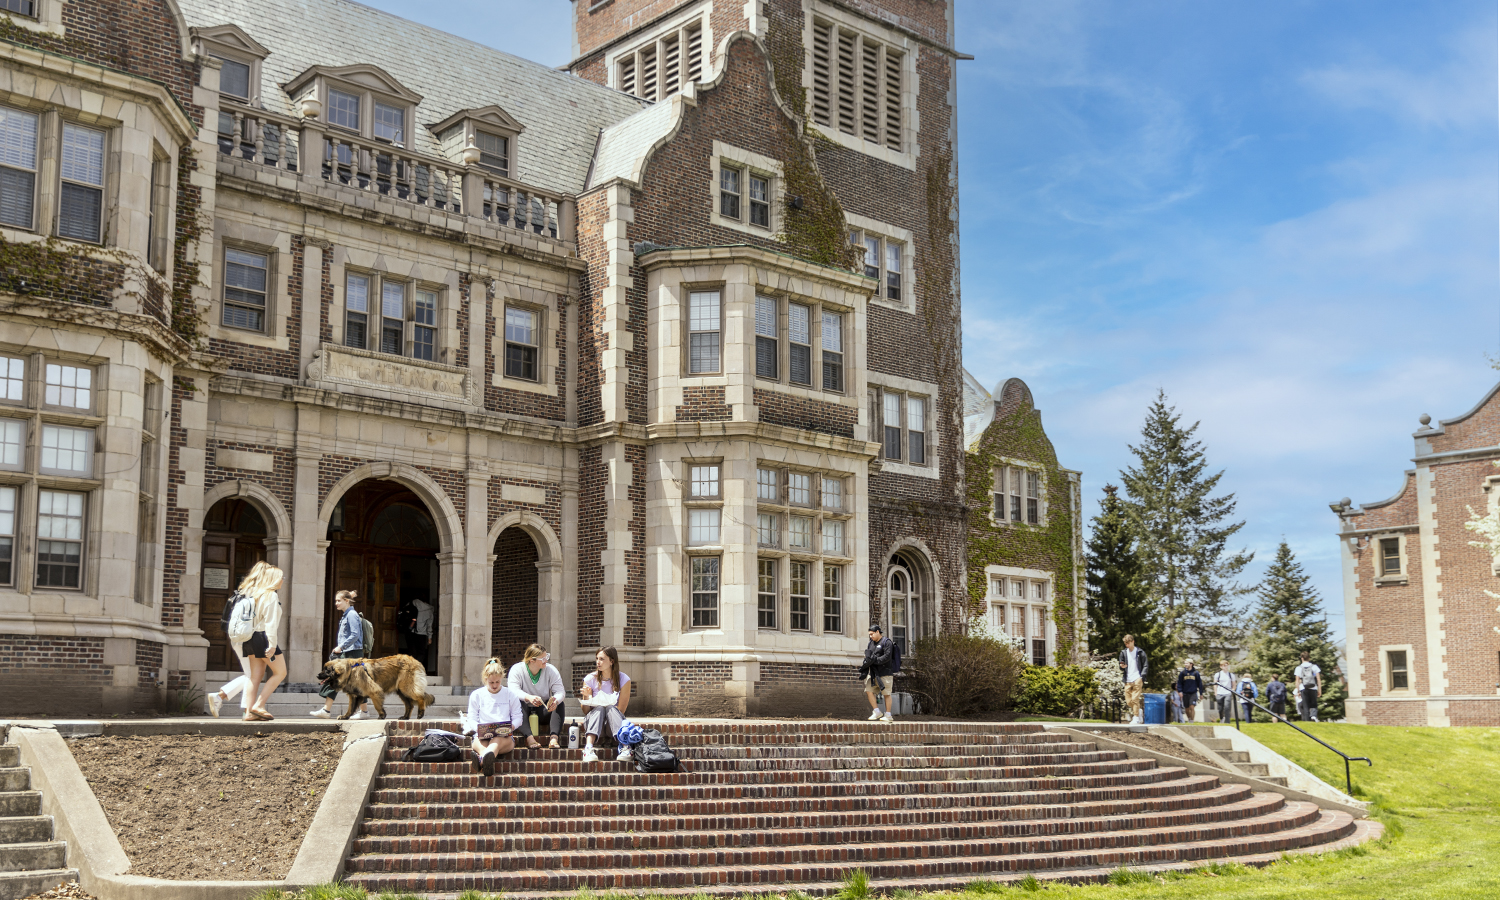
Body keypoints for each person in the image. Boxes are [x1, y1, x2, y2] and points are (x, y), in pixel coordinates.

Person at [233, 562, 287, 722]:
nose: (282, 580)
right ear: (273, 579)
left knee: (254, 676)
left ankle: (249, 713)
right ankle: (259, 705)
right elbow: (270, 622)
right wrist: (271, 644)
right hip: (263, 637)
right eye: (281, 577)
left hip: (250, 638)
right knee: (280, 672)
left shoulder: (255, 594)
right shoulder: (271, 595)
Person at [311, 590, 370, 719]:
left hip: (352, 652)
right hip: (348, 652)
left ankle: (363, 712)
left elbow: (355, 634)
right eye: (336, 600)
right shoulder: (347, 614)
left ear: (346, 601)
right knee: (338, 679)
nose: (336, 603)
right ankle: (327, 710)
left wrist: (340, 647)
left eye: (339, 601)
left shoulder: (352, 615)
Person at [467, 657, 523, 777]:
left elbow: (518, 717)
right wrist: (478, 728)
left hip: (504, 738)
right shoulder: (477, 695)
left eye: (497, 682)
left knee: (496, 740)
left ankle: (481, 761)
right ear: (485, 679)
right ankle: (486, 760)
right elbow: (471, 717)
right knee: (481, 742)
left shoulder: (510, 694)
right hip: (481, 736)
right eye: (491, 682)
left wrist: (511, 727)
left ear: (501, 678)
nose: (494, 685)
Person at [579, 646, 632, 764]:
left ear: (612, 661)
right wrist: (587, 697)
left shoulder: (624, 679)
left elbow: (621, 710)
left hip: (612, 725)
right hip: (594, 723)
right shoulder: (590, 679)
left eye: (602, 659)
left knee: (609, 707)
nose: (598, 662)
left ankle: (625, 748)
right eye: (597, 658)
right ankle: (588, 748)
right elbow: (586, 711)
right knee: (599, 708)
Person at [508, 644, 565, 750]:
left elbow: (560, 691)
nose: (546, 660)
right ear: (531, 660)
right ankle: (529, 739)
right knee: (518, 702)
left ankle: (553, 739)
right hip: (524, 711)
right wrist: (528, 697)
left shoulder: (551, 670)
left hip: (542, 710)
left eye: (546, 657)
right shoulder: (517, 669)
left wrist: (555, 701)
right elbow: (513, 690)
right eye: (542, 658)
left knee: (559, 703)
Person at [858, 624, 896, 724]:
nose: (870, 636)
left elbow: (887, 657)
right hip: (873, 673)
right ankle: (877, 711)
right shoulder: (871, 643)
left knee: (886, 694)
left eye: (872, 634)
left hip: (885, 672)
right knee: (869, 691)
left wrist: (875, 661)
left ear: (877, 632)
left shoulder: (887, 642)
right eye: (869, 635)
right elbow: (868, 656)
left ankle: (888, 715)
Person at [1118, 634, 1147, 725]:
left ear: (1133, 641)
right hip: (1127, 679)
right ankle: (1139, 710)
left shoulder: (1140, 652)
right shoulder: (1123, 653)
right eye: (1126, 644)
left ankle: (1136, 717)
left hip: (1137, 678)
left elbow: (1145, 665)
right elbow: (1121, 666)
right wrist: (1122, 666)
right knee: (1128, 701)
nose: (1127, 645)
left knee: (1135, 699)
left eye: (1129, 643)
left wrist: (1142, 676)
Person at [1294, 650, 1322, 722]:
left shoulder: (1299, 668)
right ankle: (1313, 716)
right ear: (1309, 658)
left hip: (1304, 688)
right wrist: (1319, 690)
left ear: (1302, 658)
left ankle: (1307, 721)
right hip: (1313, 687)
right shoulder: (1314, 666)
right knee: (1314, 704)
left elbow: (1297, 681)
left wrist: (1298, 691)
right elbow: (1318, 679)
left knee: (1305, 706)